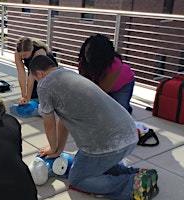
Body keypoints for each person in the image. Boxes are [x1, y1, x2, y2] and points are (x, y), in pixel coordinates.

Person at [29, 55, 159, 200]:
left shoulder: (45, 84)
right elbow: (63, 120)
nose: (37, 83)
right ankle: (138, 175)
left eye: (35, 79)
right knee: (96, 166)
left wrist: (53, 149)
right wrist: (57, 149)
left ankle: (131, 186)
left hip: (107, 143)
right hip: (130, 134)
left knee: (78, 179)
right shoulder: (69, 74)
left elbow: (49, 122)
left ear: (39, 74)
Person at [78, 33, 135, 114]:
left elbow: (102, 91)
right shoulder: (83, 62)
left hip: (123, 85)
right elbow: (84, 84)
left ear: (100, 55)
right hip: (103, 84)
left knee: (121, 112)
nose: (87, 57)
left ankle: (127, 108)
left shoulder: (114, 64)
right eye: (86, 53)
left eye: (91, 54)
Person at [15, 36, 58, 105]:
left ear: (31, 49)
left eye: (25, 55)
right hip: (35, 71)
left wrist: (28, 99)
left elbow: (32, 77)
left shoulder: (39, 52)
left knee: (44, 95)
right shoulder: (18, 53)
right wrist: (23, 96)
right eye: (21, 55)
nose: (22, 57)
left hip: (48, 71)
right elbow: (21, 74)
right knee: (33, 96)